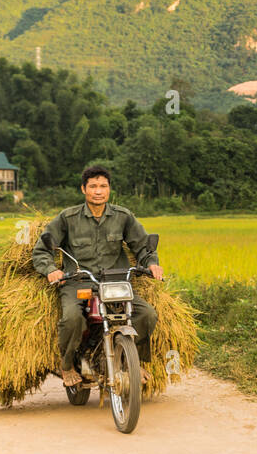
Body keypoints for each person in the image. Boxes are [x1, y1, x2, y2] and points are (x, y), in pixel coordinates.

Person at [31, 165, 163, 388]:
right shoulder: (68, 217)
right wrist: (51, 269)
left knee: (147, 314)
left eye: (103, 186)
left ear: (109, 189)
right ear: (84, 189)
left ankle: (134, 361)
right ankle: (66, 366)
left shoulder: (123, 216)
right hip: (78, 282)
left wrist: (151, 263)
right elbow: (42, 250)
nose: (98, 191)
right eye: (93, 186)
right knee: (72, 318)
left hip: (115, 282)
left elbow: (142, 246)